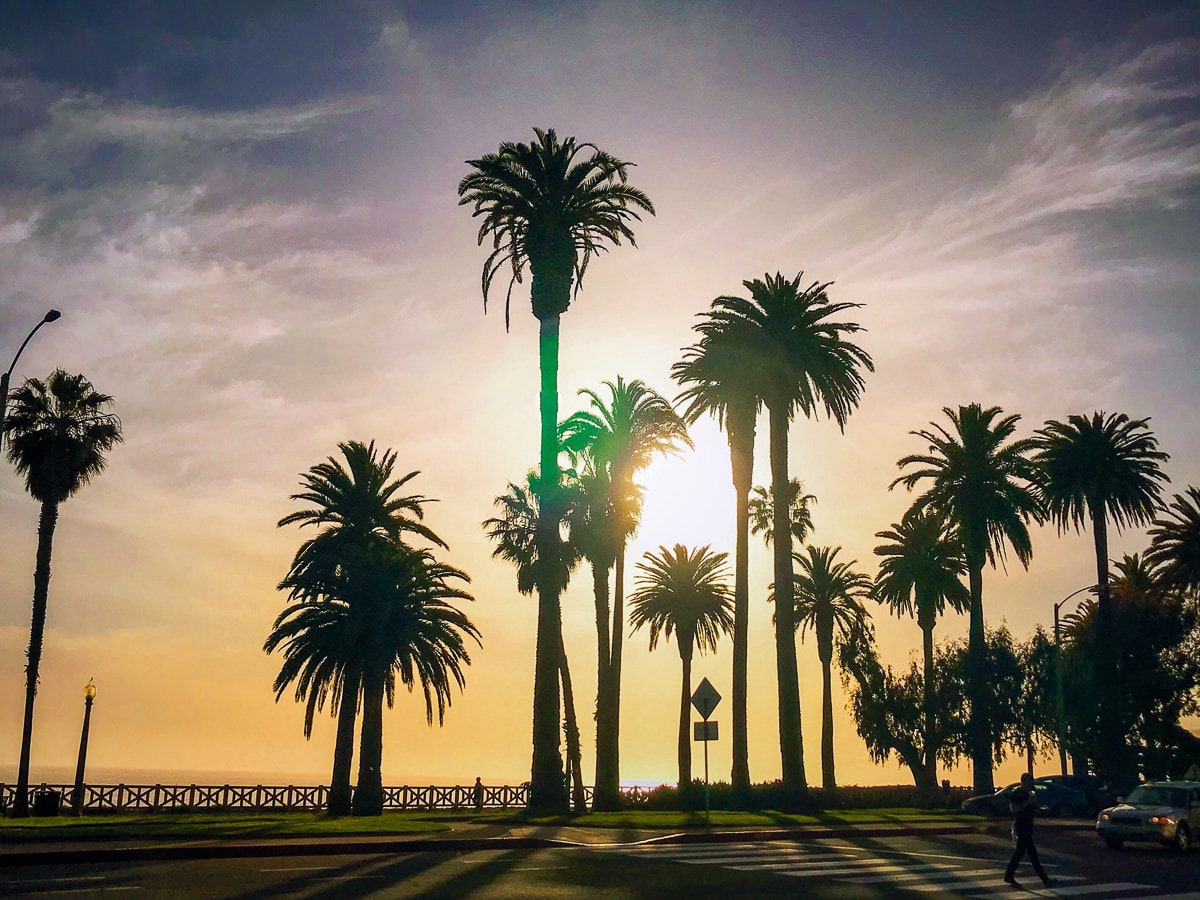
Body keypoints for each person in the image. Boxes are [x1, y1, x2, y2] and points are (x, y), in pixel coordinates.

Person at [1004, 772, 1052, 888]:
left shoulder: (1030, 793)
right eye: (1029, 782)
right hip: (1020, 825)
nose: (1031, 785)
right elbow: (1014, 809)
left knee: (1022, 852)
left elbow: (1034, 808)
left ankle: (1009, 875)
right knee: (1030, 852)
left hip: (1028, 824)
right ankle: (1044, 878)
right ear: (1023, 782)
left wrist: (1041, 809)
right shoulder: (1017, 793)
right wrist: (1027, 802)